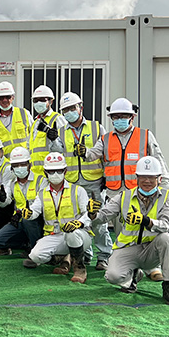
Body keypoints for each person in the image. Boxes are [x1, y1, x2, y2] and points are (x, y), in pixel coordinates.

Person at [92, 156, 169, 304]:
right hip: (128, 248)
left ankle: (168, 285)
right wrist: (93, 214)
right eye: (143, 177)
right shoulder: (124, 196)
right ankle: (133, 276)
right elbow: (104, 216)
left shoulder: (166, 196)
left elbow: (166, 224)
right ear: (137, 178)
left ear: (159, 179)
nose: (147, 181)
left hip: (152, 250)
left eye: (151, 177)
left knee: (166, 238)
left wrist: (146, 221)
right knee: (112, 276)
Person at [59, 91, 111, 270]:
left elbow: (106, 153)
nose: (69, 112)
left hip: (94, 182)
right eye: (65, 110)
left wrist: (106, 176)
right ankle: (85, 254)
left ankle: (103, 257)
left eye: (72, 108)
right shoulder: (61, 132)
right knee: (79, 219)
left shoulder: (96, 127)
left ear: (80, 107)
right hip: (73, 183)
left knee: (98, 221)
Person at [21, 152, 91, 283]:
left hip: (79, 236)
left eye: (59, 171)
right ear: (45, 172)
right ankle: (65, 257)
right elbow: (35, 210)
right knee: (35, 256)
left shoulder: (78, 190)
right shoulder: (42, 193)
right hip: (55, 235)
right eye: (51, 171)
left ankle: (79, 269)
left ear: (65, 171)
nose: (55, 174)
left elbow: (88, 213)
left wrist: (79, 223)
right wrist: (29, 214)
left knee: (71, 233)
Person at [82, 97, 169, 196]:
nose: (119, 119)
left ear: (132, 117)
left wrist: (166, 191)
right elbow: (92, 155)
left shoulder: (145, 136)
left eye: (123, 116)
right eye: (116, 117)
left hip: (138, 193)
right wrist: (84, 152)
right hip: (113, 194)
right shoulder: (105, 139)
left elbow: (159, 162)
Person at [0, 147, 43, 257]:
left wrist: (24, 213)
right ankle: (26, 244)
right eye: (16, 165)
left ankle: (35, 249)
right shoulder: (11, 183)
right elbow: (5, 202)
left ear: (29, 164)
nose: (19, 168)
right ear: (11, 168)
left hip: (37, 221)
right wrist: (2, 199)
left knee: (28, 220)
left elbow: (40, 204)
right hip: (19, 221)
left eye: (23, 164)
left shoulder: (40, 180)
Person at [27, 85, 66, 178]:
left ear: (51, 101)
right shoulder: (35, 123)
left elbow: (66, 147)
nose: (38, 103)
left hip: (51, 173)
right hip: (35, 174)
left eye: (42, 100)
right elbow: (30, 148)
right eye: (35, 100)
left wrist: (54, 139)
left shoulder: (58, 119)